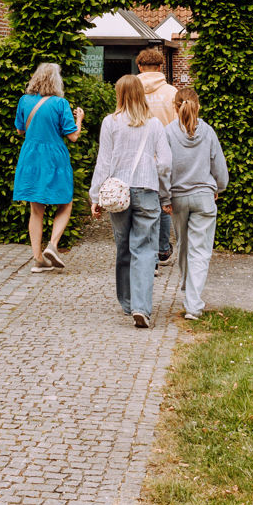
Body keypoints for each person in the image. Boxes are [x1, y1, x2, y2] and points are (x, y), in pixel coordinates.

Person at [90, 74, 173, 327]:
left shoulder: (110, 123)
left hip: (119, 195)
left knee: (124, 247)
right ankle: (141, 307)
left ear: (119, 94)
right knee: (146, 250)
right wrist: (157, 180)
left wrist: (95, 196)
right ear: (141, 94)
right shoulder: (155, 124)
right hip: (147, 191)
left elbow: (104, 162)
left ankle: (127, 304)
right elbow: (166, 163)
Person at [167, 86, 229, 320]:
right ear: (198, 106)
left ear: (175, 107)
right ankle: (193, 304)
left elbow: (163, 168)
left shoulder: (168, 132)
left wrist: (165, 196)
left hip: (177, 198)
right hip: (204, 197)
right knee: (200, 251)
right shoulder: (208, 132)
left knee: (183, 245)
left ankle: (187, 291)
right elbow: (220, 169)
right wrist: (217, 187)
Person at [12, 63, 81, 272]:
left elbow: (19, 130)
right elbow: (73, 136)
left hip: (31, 156)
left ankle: (37, 259)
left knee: (36, 210)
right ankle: (52, 245)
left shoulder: (24, 100)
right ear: (56, 81)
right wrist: (80, 119)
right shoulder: (61, 104)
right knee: (65, 203)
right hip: (54, 157)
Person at [134, 47, 179, 268]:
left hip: (137, 155)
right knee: (164, 200)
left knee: (142, 203)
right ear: (161, 67)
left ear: (139, 66)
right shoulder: (172, 93)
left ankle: (146, 250)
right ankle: (162, 248)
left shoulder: (131, 91)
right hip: (164, 154)